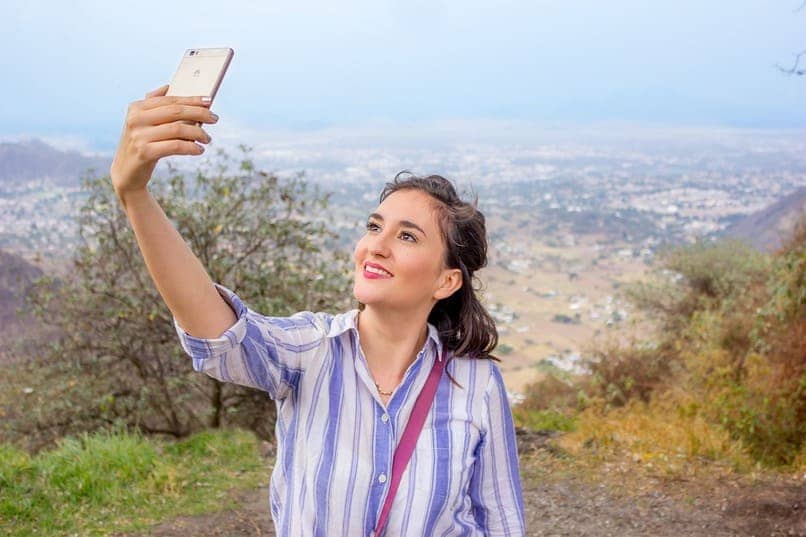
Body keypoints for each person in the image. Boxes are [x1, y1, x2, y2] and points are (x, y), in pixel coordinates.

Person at [111, 85, 525, 536]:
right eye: (374, 226)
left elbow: (500, 523)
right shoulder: (310, 351)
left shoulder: (477, 385)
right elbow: (218, 333)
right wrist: (135, 194)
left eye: (407, 237)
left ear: (446, 281)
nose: (376, 246)